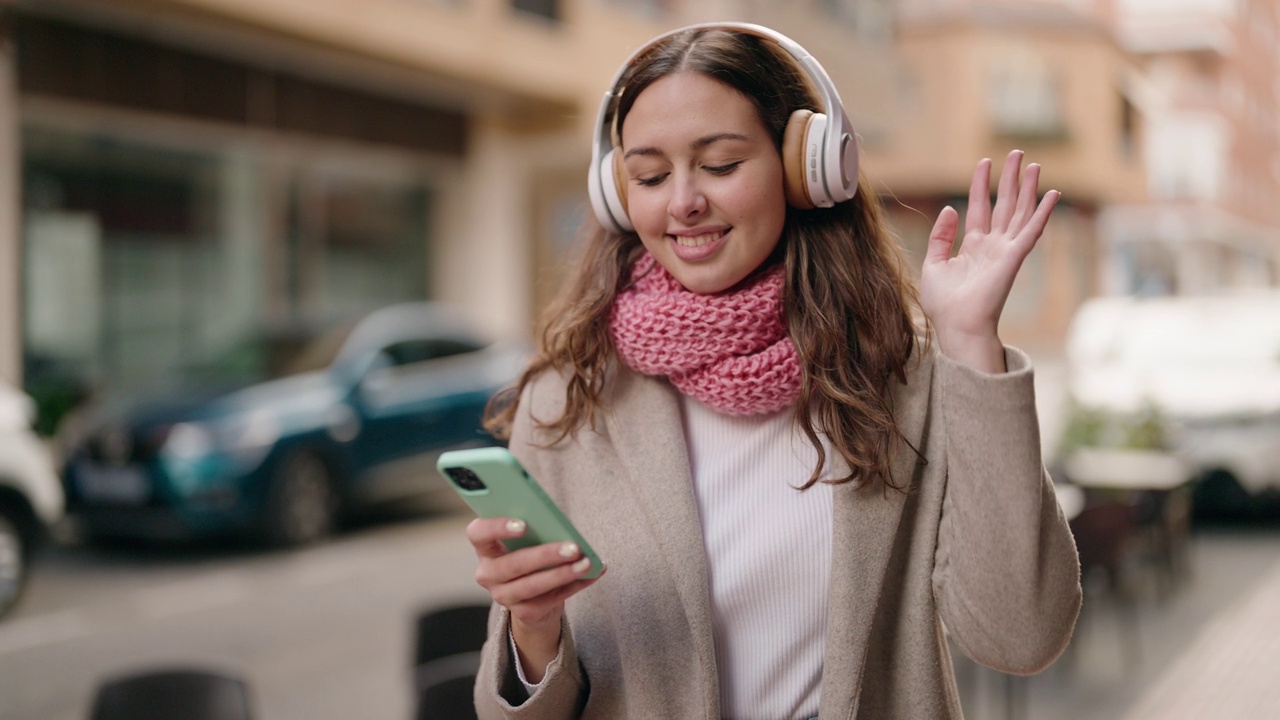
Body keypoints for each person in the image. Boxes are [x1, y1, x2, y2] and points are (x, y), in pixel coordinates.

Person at [464, 22, 1082, 720]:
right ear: (616, 194)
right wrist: (532, 628)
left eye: (721, 165)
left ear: (805, 168)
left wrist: (971, 341)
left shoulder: (901, 378)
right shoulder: (568, 399)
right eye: (650, 175)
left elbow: (1020, 636)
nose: (683, 201)